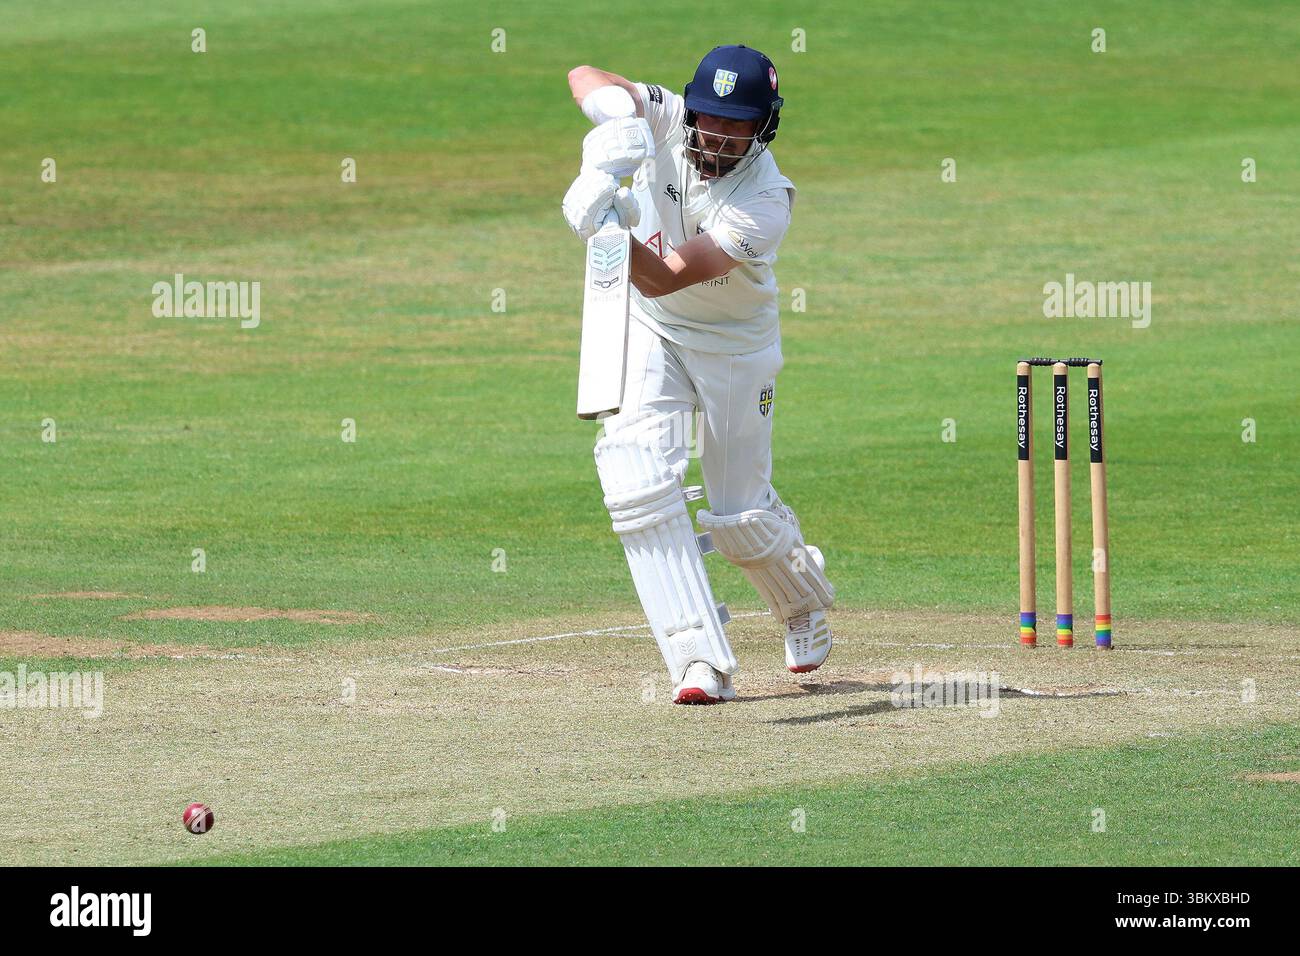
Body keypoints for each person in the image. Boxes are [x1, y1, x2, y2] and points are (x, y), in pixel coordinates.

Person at [562, 45, 834, 704]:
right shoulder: (668, 117)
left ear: (762, 129)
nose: (716, 134)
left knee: (739, 521)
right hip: (653, 334)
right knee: (635, 480)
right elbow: (585, 76)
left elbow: (659, 277)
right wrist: (618, 130)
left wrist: (602, 230)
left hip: (733, 349)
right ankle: (695, 656)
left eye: (735, 126)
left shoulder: (766, 201)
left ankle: (802, 601)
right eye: (710, 119)